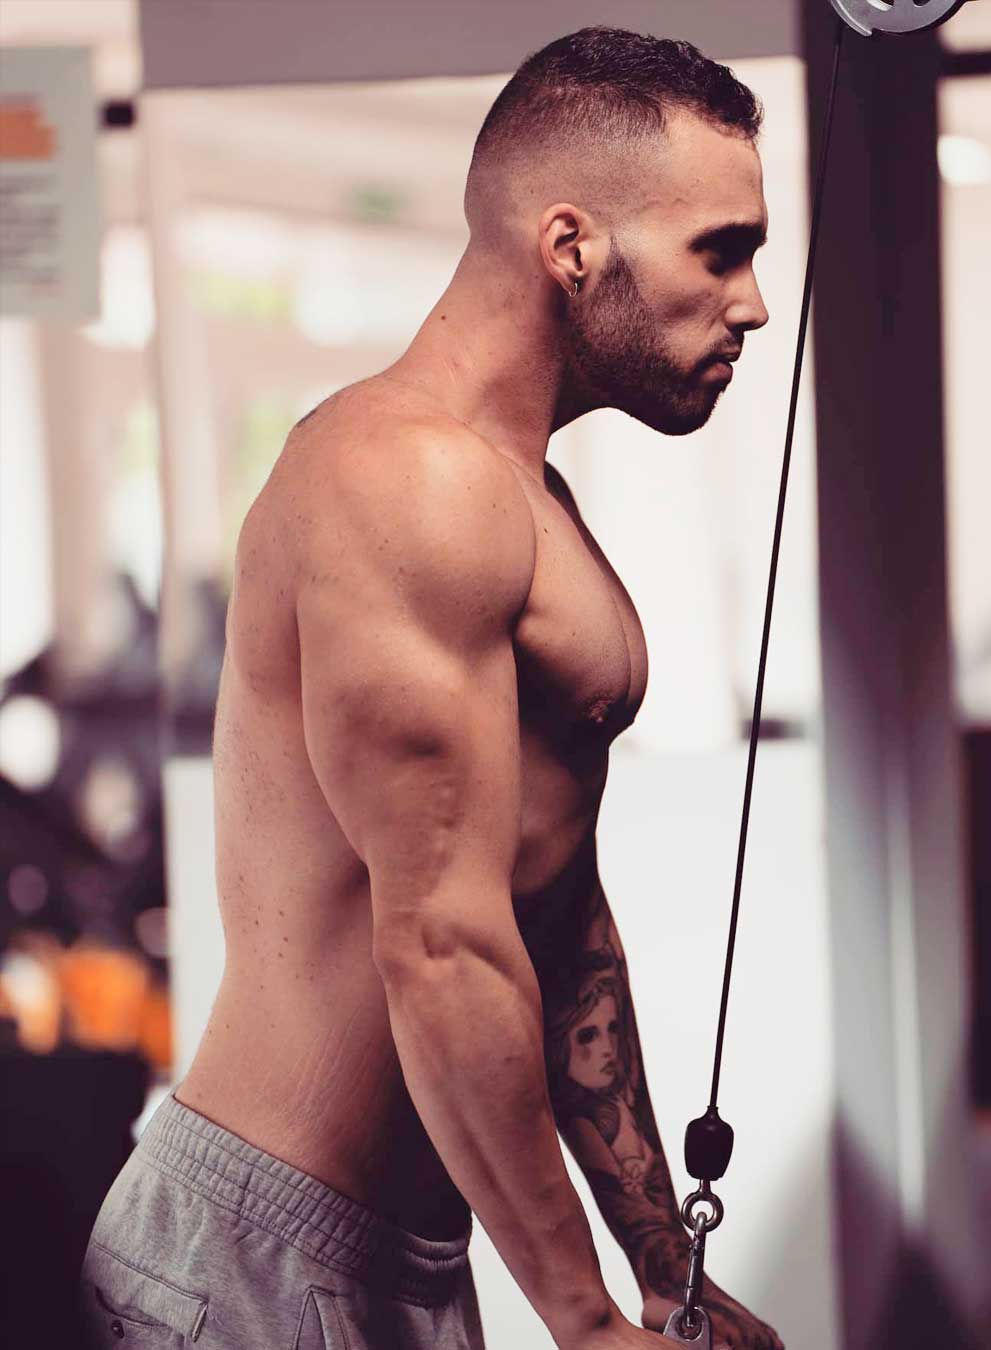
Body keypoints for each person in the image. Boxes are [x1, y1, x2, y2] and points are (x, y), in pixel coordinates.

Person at [79, 26, 780, 1350]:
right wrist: (582, 1322)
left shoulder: (526, 498)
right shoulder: (405, 481)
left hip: (398, 1250)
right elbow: (442, 944)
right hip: (258, 1256)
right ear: (570, 246)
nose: (750, 303)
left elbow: (557, 920)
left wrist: (658, 1263)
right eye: (720, 250)